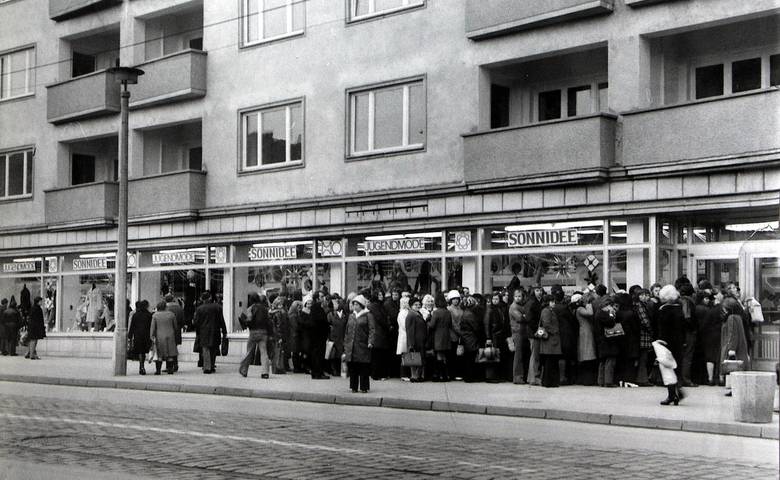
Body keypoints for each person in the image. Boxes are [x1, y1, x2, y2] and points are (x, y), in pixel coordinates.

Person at [656, 285, 686, 402]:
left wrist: (660, 340)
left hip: (666, 342)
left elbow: (662, 328)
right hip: (678, 342)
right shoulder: (679, 308)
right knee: (676, 367)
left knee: (667, 368)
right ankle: (678, 391)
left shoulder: (664, 310)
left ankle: (672, 394)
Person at [720, 296, 751, 393]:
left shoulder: (731, 318)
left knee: (733, 369)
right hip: (740, 346)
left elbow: (733, 334)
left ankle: (734, 389)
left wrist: (731, 349)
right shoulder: (738, 317)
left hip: (733, 348)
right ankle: (735, 389)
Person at [239, 293, 273, 379]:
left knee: (249, 352)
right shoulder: (265, 309)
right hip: (264, 332)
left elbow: (249, 320)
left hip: (254, 332)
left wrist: (244, 320)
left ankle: (244, 370)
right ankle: (265, 372)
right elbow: (269, 322)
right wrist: (270, 334)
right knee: (264, 352)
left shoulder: (251, 308)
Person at [344, 295, 373, 393]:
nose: (355, 306)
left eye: (357, 304)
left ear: (361, 305)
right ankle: (354, 387)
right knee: (353, 366)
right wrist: (346, 343)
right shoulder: (351, 315)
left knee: (363, 366)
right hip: (351, 345)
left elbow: (372, 330)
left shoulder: (368, 315)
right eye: (354, 304)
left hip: (363, 344)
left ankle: (364, 387)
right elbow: (347, 330)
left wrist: (370, 341)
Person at [193, 291, 227, 374]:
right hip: (215, 331)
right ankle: (212, 366)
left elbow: (196, 322)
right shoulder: (218, 307)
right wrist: (224, 331)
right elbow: (221, 320)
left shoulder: (200, 309)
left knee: (206, 349)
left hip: (204, 331)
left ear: (202, 299)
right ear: (210, 298)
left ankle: (207, 367)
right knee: (214, 349)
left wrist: (197, 331)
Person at [594, 297, 620, 387]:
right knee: (610, 360)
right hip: (607, 339)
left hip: (601, 339)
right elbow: (611, 323)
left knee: (603, 361)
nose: (612, 307)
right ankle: (608, 381)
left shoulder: (598, 313)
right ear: (607, 305)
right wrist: (612, 314)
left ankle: (601, 381)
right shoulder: (604, 314)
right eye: (611, 306)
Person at [573, 293, 597, 385]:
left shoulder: (579, 309)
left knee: (587, 356)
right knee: (587, 355)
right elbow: (590, 313)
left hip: (586, 332)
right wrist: (589, 303)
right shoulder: (580, 309)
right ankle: (587, 380)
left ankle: (587, 379)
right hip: (585, 333)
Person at [538, 294, 562, 388]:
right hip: (550, 340)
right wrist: (555, 331)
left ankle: (550, 381)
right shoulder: (546, 311)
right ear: (548, 302)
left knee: (551, 361)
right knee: (550, 361)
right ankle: (549, 382)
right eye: (552, 302)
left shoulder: (548, 311)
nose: (554, 303)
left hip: (551, 340)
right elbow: (546, 324)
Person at [696, 291, 720, 385]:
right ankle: (717, 378)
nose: (708, 300)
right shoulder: (708, 310)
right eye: (706, 299)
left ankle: (709, 379)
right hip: (714, 334)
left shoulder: (696, 308)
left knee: (709, 357)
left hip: (705, 335)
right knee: (715, 356)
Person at [367, 290, 391, 381]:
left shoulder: (377, 305)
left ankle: (378, 373)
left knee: (378, 354)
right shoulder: (375, 306)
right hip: (379, 332)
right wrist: (387, 326)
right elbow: (380, 318)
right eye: (379, 294)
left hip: (379, 332)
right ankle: (376, 374)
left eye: (382, 294)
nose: (381, 296)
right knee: (378, 355)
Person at [459, 296, 484, 382]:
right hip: (470, 337)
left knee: (468, 357)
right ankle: (470, 376)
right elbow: (476, 327)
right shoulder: (470, 314)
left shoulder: (465, 313)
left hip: (466, 337)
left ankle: (468, 376)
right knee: (470, 358)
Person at [429, 293, 453, 382]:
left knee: (439, 355)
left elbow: (432, 325)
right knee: (444, 356)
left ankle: (439, 375)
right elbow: (450, 324)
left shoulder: (436, 312)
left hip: (438, 335)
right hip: (446, 335)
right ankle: (445, 375)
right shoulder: (447, 312)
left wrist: (428, 320)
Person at [633, 289, 655, 386]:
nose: (647, 297)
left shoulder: (636, 305)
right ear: (640, 296)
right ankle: (642, 379)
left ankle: (641, 378)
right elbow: (645, 321)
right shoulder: (640, 306)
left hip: (640, 335)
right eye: (645, 295)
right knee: (643, 358)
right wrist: (651, 330)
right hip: (644, 335)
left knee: (642, 358)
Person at [150, 300, 178, 375]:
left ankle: (158, 370)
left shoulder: (155, 315)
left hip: (159, 336)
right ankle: (170, 369)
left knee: (159, 354)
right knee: (170, 353)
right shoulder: (171, 314)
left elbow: (153, 328)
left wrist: (152, 336)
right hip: (170, 336)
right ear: (165, 307)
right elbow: (175, 326)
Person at [307, 292, 331, 379]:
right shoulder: (317, 307)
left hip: (316, 335)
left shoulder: (314, 307)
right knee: (319, 354)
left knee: (316, 353)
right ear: (317, 298)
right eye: (321, 296)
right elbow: (321, 320)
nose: (323, 298)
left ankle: (316, 372)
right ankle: (318, 373)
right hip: (319, 335)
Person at [509, 288, 530, 384]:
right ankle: (517, 377)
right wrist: (525, 316)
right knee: (518, 356)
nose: (518, 298)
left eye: (519, 296)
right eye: (516, 296)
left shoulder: (520, 306)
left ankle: (521, 376)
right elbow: (520, 318)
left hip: (522, 332)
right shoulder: (513, 307)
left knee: (522, 355)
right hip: (517, 332)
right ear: (513, 297)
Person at [524, 285, 544, 385]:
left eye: (540, 290)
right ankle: (534, 377)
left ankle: (532, 377)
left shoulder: (536, 302)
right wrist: (538, 331)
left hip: (534, 331)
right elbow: (529, 319)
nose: (539, 292)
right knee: (535, 355)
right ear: (533, 291)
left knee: (535, 355)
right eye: (537, 290)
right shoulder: (532, 303)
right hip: (533, 332)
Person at [652, 339, 681, 405]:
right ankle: (676, 393)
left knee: (667, 371)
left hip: (663, 345)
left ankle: (673, 395)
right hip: (670, 342)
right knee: (672, 372)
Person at [127, 300, 152, 374]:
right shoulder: (149, 315)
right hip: (146, 335)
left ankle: (141, 366)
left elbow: (132, 326)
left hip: (138, 335)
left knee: (140, 351)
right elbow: (151, 326)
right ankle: (142, 366)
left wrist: (130, 336)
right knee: (144, 351)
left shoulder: (135, 315)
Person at [327, 296, 347, 377]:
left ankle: (340, 370)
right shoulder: (330, 314)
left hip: (342, 336)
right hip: (334, 337)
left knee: (341, 353)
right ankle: (334, 369)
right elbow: (328, 325)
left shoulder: (345, 315)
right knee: (334, 354)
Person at [446, 290, 464, 380]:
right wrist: (461, 333)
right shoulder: (449, 309)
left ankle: (456, 373)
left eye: (457, 299)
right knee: (451, 355)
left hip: (459, 334)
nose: (456, 301)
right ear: (450, 300)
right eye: (454, 299)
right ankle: (451, 374)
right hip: (452, 334)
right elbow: (452, 323)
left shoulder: (460, 309)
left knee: (458, 355)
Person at [270, 295, 290, 374]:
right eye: (281, 304)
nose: (282, 305)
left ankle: (276, 368)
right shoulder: (279, 313)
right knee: (279, 351)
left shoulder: (272, 312)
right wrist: (280, 336)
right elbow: (279, 325)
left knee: (276, 351)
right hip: (278, 335)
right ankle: (278, 368)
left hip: (274, 335)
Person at [164, 294, 184, 372]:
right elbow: (182, 320)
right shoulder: (179, 308)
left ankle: (169, 366)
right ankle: (175, 364)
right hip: (177, 330)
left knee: (168, 349)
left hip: (167, 330)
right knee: (174, 347)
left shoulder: (165, 308)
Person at [288, 300, 305, 373]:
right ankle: (296, 367)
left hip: (296, 335)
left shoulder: (296, 315)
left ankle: (297, 367)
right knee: (295, 352)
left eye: (301, 307)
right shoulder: (293, 316)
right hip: (295, 335)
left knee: (297, 352)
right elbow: (295, 326)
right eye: (299, 307)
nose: (300, 308)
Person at [396, 296, 411, 380]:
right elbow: (404, 325)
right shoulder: (402, 313)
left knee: (406, 355)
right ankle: (404, 374)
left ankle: (406, 374)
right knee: (404, 355)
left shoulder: (407, 311)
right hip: (404, 336)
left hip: (406, 336)